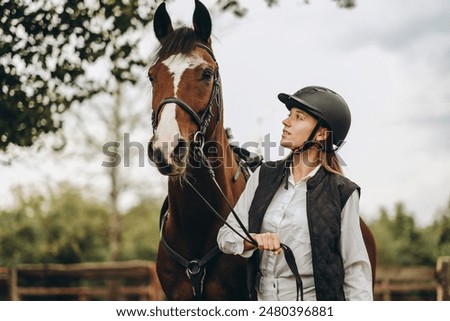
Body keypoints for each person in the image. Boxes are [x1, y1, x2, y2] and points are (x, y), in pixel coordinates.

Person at [217, 86, 373, 301]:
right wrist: (253, 240)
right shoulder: (262, 175)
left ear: (321, 134)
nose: (286, 121)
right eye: (289, 115)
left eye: (299, 117)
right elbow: (225, 237)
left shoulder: (343, 192)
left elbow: (356, 271)